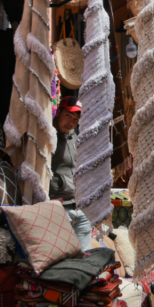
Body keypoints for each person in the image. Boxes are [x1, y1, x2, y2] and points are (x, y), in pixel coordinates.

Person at [50, 97, 92, 251]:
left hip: (80, 207)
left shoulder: (75, 138)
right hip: (59, 208)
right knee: (62, 257)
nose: (72, 122)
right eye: (68, 116)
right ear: (58, 112)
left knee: (84, 256)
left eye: (76, 119)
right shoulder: (47, 137)